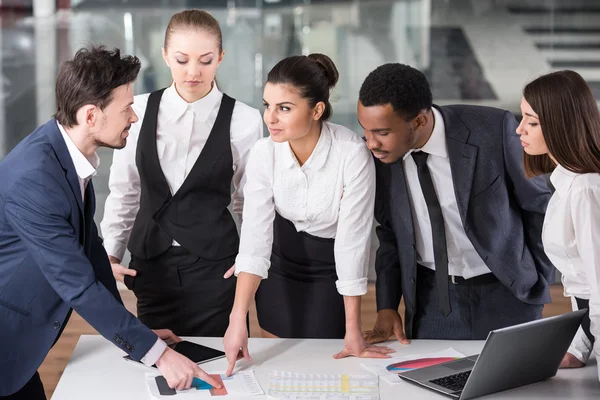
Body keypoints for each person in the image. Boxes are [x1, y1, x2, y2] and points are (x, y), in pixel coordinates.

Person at [0, 46, 221, 399]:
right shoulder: (36, 179)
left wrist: (138, 334)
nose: (134, 117)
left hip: (19, 345)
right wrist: (160, 356)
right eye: (125, 108)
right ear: (91, 115)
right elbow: (78, 284)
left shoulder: (66, 152)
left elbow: (90, 251)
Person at [357, 63, 555, 343]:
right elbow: (390, 233)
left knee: (515, 385)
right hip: (432, 303)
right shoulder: (381, 159)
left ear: (419, 122)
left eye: (382, 132)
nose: (370, 143)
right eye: (365, 130)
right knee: (432, 384)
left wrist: (538, 279)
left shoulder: (492, 129)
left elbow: (537, 206)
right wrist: (387, 305)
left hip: (508, 293)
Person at [223, 53, 394, 375]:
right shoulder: (262, 153)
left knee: (327, 367)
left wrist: (354, 329)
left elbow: (352, 243)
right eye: (267, 105)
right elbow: (256, 236)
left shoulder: (351, 153)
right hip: (279, 263)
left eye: (284, 108)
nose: (270, 118)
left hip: (330, 268)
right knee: (278, 364)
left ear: (316, 110)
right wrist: (236, 322)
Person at [100, 9, 263, 337]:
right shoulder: (139, 110)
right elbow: (125, 191)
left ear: (220, 58)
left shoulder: (245, 120)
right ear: (164, 56)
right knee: (156, 369)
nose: (193, 72)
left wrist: (250, 258)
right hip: (151, 267)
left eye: (205, 60)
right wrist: (111, 253)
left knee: (223, 372)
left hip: (217, 270)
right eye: (181, 59)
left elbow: (251, 200)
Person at [516, 70, 600, 380]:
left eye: (532, 122)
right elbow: (584, 287)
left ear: (560, 125)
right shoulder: (567, 183)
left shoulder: (585, 190)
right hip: (588, 329)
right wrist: (579, 348)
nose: (519, 130)